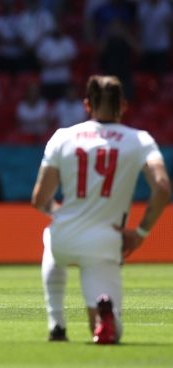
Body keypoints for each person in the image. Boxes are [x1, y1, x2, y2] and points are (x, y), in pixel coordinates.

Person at [31, 75, 171, 344]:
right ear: (124, 105)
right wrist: (140, 233)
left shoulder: (63, 137)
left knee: (50, 239)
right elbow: (163, 188)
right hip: (107, 241)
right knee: (111, 332)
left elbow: (39, 199)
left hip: (65, 235)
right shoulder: (139, 140)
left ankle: (56, 323)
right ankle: (104, 314)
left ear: (87, 104)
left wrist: (59, 211)